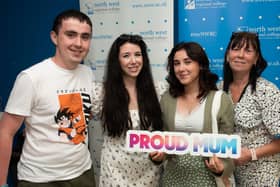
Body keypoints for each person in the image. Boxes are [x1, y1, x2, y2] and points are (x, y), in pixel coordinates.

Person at [0, 9, 96, 186]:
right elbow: (5, 132)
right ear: (54, 37)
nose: (78, 43)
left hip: (82, 173)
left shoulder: (87, 73)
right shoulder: (31, 77)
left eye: (85, 37)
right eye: (71, 35)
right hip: (40, 179)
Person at [155, 42, 235, 186]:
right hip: (173, 178)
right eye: (176, 63)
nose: (181, 68)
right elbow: (165, 141)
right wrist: (159, 156)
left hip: (207, 179)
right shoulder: (167, 99)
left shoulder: (220, 100)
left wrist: (221, 168)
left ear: (201, 65)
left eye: (188, 62)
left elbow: (227, 147)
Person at [91, 34, 166, 187]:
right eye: (126, 56)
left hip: (149, 171)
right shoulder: (101, 93)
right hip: (114, 172)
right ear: (117, 61)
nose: (134, 61)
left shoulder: (158, 90)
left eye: (138, 55)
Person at [222, 31, 280, 186]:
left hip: (261, 174)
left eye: (248, 51)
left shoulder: (267, 91)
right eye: (236, 49)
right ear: (228, 55)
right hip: (229, 173)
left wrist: (251, 154)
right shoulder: (219, 90)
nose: (240, 55)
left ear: (255, 59)